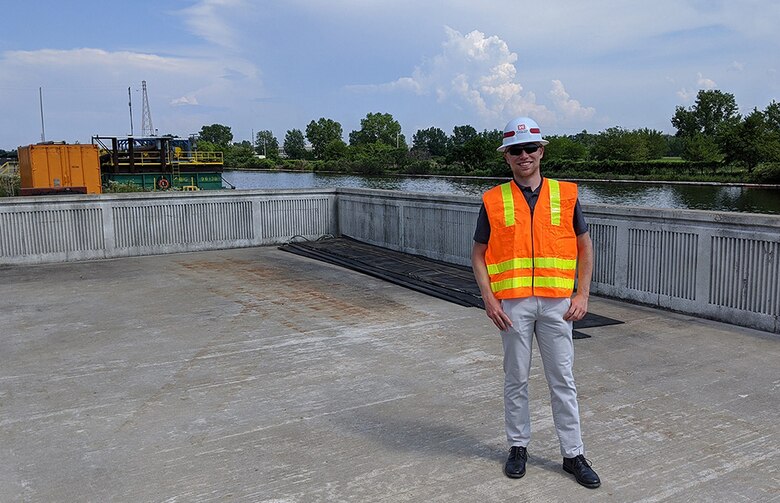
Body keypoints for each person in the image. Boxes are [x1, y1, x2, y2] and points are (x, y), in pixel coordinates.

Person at [471, 116, 601, 488]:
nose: (524, 155)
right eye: (516, 150)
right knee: (516, 379)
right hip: (512, 306)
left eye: (530, 148)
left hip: (558, 303)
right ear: (507, 157)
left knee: (563, 379)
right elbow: (478, 254)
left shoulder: (566, 194)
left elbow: (584, 245)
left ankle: (573, 454)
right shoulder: (494, 200)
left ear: (541, 151)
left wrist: (582, 293)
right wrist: (489, 299)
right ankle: (517, 447)